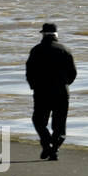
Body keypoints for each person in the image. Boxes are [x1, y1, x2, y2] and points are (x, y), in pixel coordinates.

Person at [25, 23, 76, 161]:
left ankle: (47, 143)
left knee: (38, 121)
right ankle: (54, 148)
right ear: (56, 34)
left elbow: (29, 72)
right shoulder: (65, 50)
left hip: (42, 91)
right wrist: (65, 84)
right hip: (61, 92)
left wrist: (34, 86)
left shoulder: (36, 50)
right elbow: (73, 73)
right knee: (59, 124)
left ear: (42, 34)